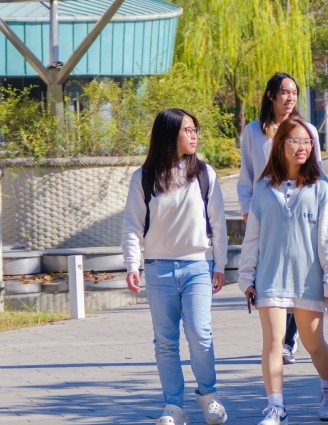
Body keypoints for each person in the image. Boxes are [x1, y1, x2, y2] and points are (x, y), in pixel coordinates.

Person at [122, 109, 229, 425]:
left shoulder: (204, 174)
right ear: (170, 134)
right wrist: (132, 264)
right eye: (188, 130)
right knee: (165, 343)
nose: (194, 135)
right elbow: (132, 225)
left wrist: (220, 263)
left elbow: (218, 223)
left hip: (198, 266)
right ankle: (173, 407)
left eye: (196, 130)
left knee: (200, 334)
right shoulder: (144, 177)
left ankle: (209, 396)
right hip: (158, 268)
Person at [238, 118, 328, 425]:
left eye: (307, 142)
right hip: (270, 278)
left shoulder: (320, 188)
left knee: (313, 344)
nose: (302, 147)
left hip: (308, 279)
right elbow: (252, 238)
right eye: (295, 141)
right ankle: (276, 407)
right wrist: (246, 277)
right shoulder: (262, 189)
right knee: (274, 342)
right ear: (280, 145)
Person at [237, 72, 322, 365]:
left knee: (300, 272)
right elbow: (247, 176)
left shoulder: (307, 130)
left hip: (300, 215)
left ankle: (288, 340)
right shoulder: (254, 131)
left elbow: (317, 173)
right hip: (267, 216)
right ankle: (279, 336)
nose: (290, 98)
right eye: (285, 92)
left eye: (294, 93)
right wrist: (248, 212)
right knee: (272, 275)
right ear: (271, 95)